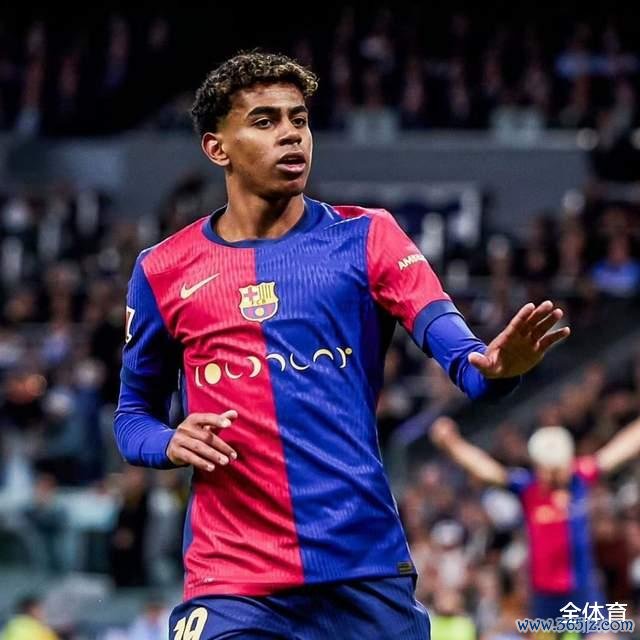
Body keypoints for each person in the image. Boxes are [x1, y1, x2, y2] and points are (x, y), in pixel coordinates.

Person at [113, 51, 570, 640]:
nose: (291, 135)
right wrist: (169, 441)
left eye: (299, 120)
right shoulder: (164, 270)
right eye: (264, 121)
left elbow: (468, 362)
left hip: (363, 570)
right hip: (233, 582)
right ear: (216, 147)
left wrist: (497, 367)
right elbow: (132, 419)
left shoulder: (369, 237)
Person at [431, 415, 640, 633]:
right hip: (544, 593)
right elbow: (487, 470)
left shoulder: (580, 477)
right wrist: (453, 444)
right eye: (546, 467)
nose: (552, 473)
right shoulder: (527, 487)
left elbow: (619, 450)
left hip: (581, 586)